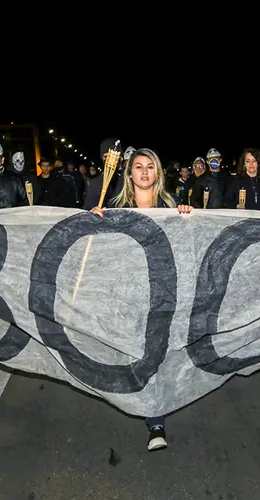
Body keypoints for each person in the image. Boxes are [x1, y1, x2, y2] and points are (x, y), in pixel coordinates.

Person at [90, 148, 192, 452]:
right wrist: (95, 223)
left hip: (162, 291)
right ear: (129, 173)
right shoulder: (115, 207)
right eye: (138, 167)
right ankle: (147, 405)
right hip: (129, 293)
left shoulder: (171, 206)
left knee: (156, 354)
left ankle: (155, 421)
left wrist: (185, 218)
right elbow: (103, 253)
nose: (144, 172)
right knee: (136, 355)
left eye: (150, 167)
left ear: (157, 173)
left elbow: (186, 247)